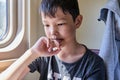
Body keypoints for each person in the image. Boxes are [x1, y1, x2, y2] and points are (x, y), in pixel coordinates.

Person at [0, 0, 107, 80]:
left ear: (77, 21)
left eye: (60, 24)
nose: (52, 32)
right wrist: (32, 53)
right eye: (46, 25)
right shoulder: (44, 56)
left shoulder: (93, 64)